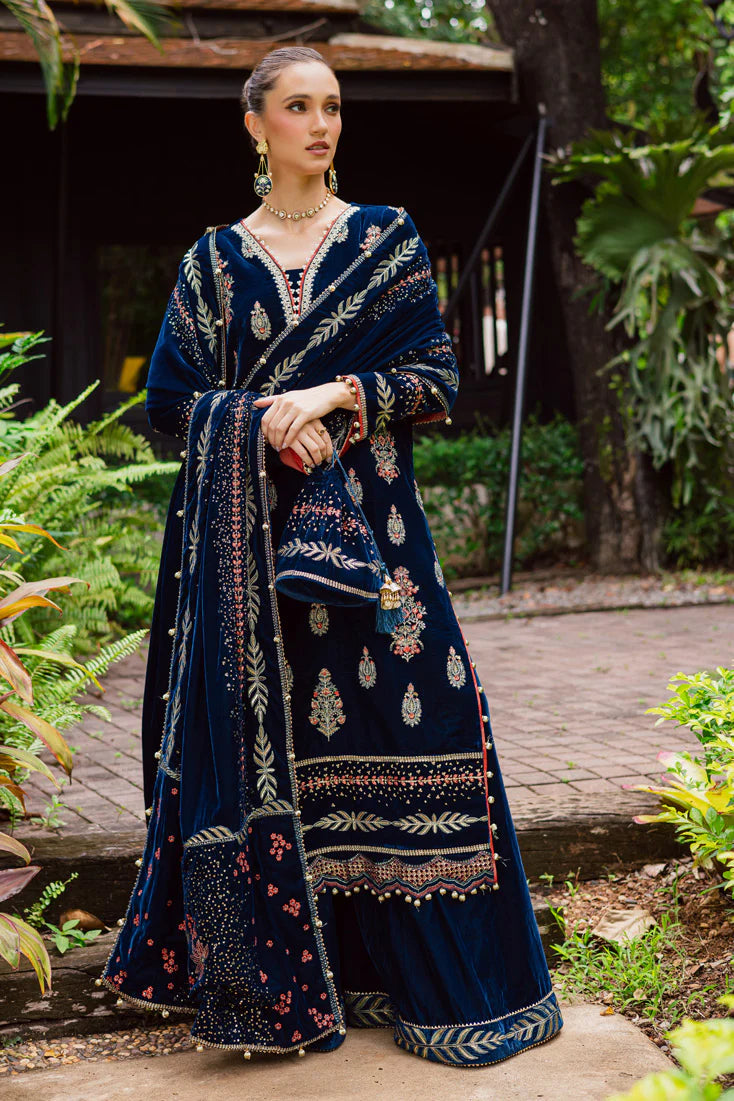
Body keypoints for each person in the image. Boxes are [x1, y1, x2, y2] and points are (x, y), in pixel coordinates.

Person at [97, 45, 564, 1067]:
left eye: (334, 107)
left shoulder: (386, 239)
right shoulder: (213, 264)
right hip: (259, 558)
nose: (321, 124)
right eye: (299, 106)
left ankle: (451, 985)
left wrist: (334, 396)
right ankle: (315, 983)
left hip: (381, 544)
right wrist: (259, 421)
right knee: (296, 756)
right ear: (255, 124)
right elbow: (169, 404)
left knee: (421, 725)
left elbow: (435, 377)